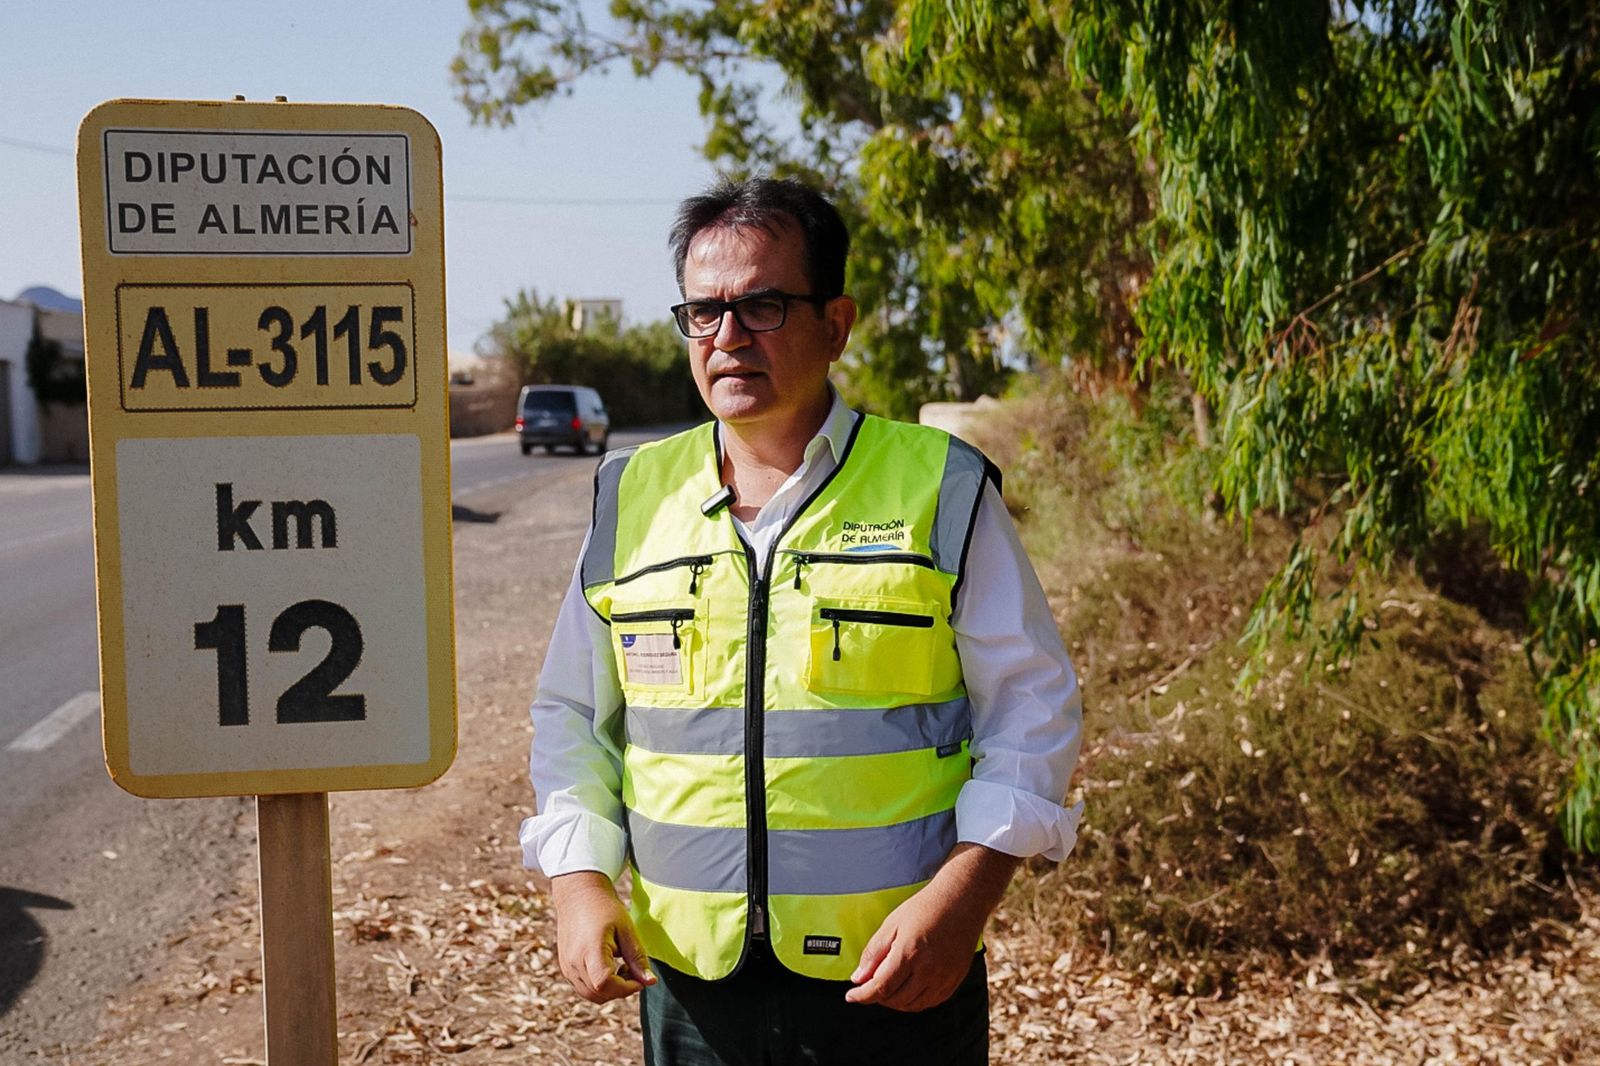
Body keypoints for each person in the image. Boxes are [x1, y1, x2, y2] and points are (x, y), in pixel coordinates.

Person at [521, 176, 1083, 1065]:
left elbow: (1032, 707)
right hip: (691, 993)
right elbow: (573, 716)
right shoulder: (630, 498)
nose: (729, 337)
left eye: (765, 306)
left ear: (837, 322)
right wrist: (578, 882)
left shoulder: (941, 487)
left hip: (897, 979)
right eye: (704, 312)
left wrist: (965, 900)